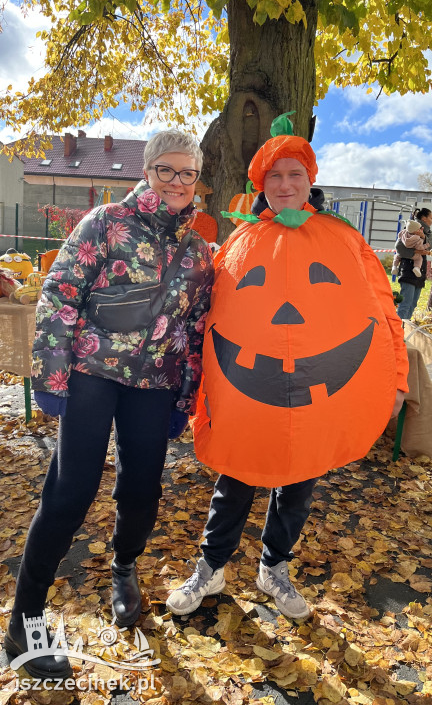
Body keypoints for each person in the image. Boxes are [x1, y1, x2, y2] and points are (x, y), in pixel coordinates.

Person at [166, 113, 409, 621]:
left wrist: (397, 380)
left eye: (294, 174)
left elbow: (384, 312)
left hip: (319, 386)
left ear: (310, 179)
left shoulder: (344, 240)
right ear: (261, 184)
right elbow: (209, 317)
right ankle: (211, 567)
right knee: (235, 480)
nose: (285, 184)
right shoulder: (239, 242)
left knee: (298, 484)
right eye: (274, 176)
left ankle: (274, 566)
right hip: (249, 388)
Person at [4, 130, 214, 679]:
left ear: (197, 180)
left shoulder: (198, 252)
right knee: (71, 489)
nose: (176, 182)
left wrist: (184, 395)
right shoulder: (103, 223)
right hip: (92, 372)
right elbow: (60, 292)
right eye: (166, 170)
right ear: (147, 171)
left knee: (143, 488)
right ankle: (24, 619)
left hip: (154, 383)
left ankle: (125, 568)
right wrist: (51, 375)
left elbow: (195, 328)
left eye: (186, 173)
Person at [396, 207, 432, 320]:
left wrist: (424, 238)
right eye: (431, 217)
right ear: (424, 218)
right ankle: (397, 333)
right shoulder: (411, 228)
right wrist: (417, 252)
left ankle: (404, 332)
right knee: (405, 304)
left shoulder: (427, 233)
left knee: (412, 304)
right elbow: (399, 248)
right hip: (408, 270)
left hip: (419, 272)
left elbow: (430, 244)